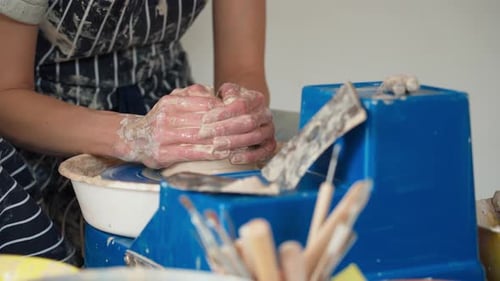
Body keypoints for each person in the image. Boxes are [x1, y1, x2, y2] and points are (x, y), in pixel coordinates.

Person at [0, 0, 275, 265]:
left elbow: (243, 68)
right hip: (47, 132)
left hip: (166, 107)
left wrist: (240, 113)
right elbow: (6, 94)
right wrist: (134, 136)